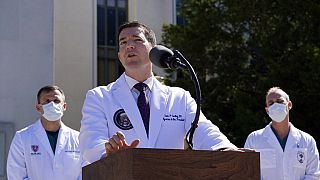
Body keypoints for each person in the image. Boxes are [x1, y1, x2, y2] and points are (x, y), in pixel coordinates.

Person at [79, 21, 237, 164]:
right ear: (119, 56)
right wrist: (110, 154)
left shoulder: (179, 97)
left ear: (153, 51)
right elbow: (91, 142)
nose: (129, 46)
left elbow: (204, 131)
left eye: (137, 39)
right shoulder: (99, 97)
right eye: (123, 42)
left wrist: (226, 150)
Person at [7, 85, 84, 180]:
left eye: (56, 101)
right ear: (38, 108)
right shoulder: (22, 138)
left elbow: (84, 173)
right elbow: (16, 175)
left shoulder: (78, 138)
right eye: (47, 101)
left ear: (64, 106)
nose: (52, 105)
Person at [244, 87, 320, 180]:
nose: (275, 105)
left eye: (279, 101)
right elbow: (248, 175)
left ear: (289, 105)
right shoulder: (254, 139)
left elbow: (314, 175)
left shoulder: (307, 141)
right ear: (267, 110)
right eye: (271, 103)